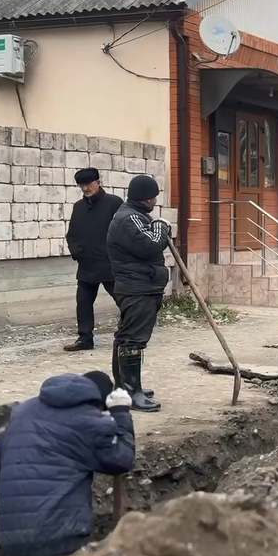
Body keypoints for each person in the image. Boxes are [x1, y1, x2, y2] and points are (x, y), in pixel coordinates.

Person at [0, 371, 134, 556]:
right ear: (99, 401)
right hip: (62, 535)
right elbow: (121, 460)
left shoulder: (23, 411)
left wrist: (6, 500)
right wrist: (121, 414)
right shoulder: (90, 421)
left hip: (12, 537)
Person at [106, 174, 170, 412]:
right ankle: (132, 393)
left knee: (126, 336)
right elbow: (151, 244)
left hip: (139, 285)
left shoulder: (133, 216)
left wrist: (155, 225)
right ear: (145, 198)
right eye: (153, 196)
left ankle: (123, 387)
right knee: (133, 339)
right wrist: (161, 226)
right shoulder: (129, 218)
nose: (155, 200)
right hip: (138, 288)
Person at [63, 168, 123, 352]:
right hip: (87, 264)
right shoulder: (78, 207)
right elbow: (72, 234)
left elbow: (124, 229)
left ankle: (131, 332)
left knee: (124, 300)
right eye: (82, 185)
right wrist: (77, 252)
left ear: (98, 182)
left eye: (89, 184)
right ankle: (85, 338)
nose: (85, 188)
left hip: (109, 264)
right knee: (83, 302)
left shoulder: (114, 203)